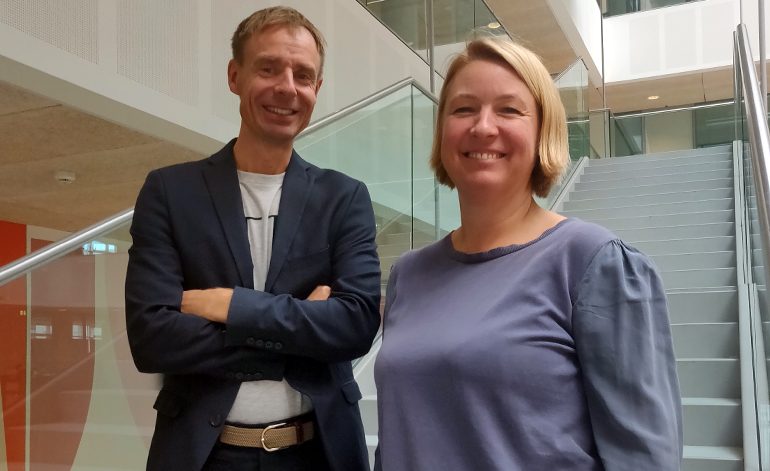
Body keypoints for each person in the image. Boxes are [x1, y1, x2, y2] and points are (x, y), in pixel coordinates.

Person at [374, 36, 682, 470]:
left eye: (509, 109)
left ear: (543, 132)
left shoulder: (595, 263)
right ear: (443, 131)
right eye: (463, 109)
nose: (483, 126)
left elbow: (644, 459)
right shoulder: (409, 274)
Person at [125, 6, 381, 471]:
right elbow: (153, 339)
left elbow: (356, 326)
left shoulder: (344, 198)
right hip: (205, 456)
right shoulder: (170, 192)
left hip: (318, 454)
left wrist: (229, 307)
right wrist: (302, 327)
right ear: (234, 75)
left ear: (316, 90)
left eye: (303, 75)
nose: (287, 87)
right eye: (268, 68)